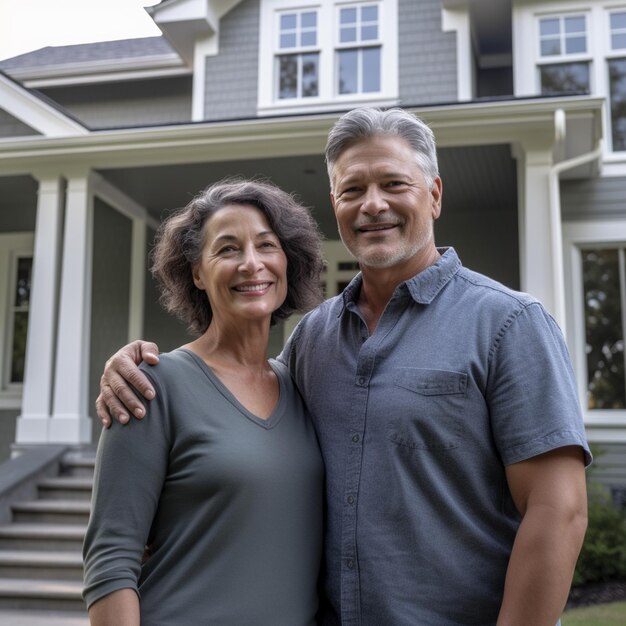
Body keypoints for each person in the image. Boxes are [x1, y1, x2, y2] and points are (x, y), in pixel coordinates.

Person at [96, 107, 591, 626]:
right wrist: (131, 367)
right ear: (335, 205)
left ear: (435, 195)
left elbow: (559, 512)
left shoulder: (509, 324)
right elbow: (233, 400)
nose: (373, 205)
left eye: (394, 183)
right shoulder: (313, 339)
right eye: (353, 190)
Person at [83, 178, 325, 625]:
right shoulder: (151, 385)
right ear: (197, 272)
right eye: (228, 249)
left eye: (266, 245)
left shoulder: (304, 387)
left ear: (288, 261)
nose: (251, 264)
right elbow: (110, 559)